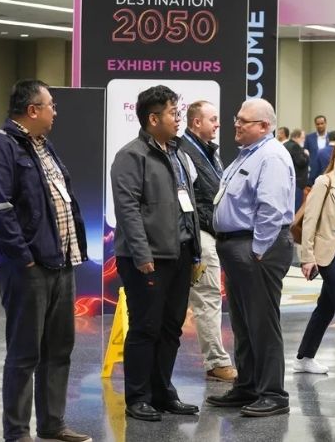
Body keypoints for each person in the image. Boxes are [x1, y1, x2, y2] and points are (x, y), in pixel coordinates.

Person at [0, 79, 90, 442]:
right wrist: (23, 258)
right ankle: (17, 432)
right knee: (24, 353)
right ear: (32, 110)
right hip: (28, 268)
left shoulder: (43, 146)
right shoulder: (1, 145)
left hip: (60, 264)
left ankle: (52, 424)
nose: (55, 112)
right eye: (51, 105)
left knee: (59, 350)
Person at [111, 85, 201, 422]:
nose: (178, 119)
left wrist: (195, 252)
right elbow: (128, 210)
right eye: (172, 113)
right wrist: (142, 254)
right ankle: (138, 397)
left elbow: (188, 206)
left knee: (171, 328)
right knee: (145, 327)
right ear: (153, 119)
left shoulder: (177, 154)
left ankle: (162, 392)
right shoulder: (131, 156)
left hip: (179, 254)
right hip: (147, 258)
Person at [206, 98, 295, 417]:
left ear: (264, 126)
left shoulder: (271, 156)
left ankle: (273, 393)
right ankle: (248, 385)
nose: (236, 124)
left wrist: (257, 249)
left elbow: (271, 208)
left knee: (262, 322)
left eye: (244, 121)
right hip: (239, 248)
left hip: (258, 249)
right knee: (243, 322)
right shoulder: (248, 154)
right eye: (237, 118)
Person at [179, 101, 237, 383]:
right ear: (196, 123)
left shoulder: (209, 152)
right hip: (201, 234)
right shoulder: (184, 152)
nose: (218, 124)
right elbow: (187, 199)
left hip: (214, 232)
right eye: (213, 119)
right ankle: (216, 362)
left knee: (209, 297)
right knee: (207, 297)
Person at [295, 138, 335, 377]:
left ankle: (304, 357)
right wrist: (307, 256)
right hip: (327, 251)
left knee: (326, 307)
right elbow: (310, 220)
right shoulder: (325, 182)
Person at [284, 128, 309, 212]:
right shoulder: (295, 146)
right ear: (296, 137)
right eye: (303, 137)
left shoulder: (285, 144)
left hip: (287, 180)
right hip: (297, 182)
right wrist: (306, 155)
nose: (304, 140)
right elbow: (301, 162)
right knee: (295, 209)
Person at [305, 115, 330, 186]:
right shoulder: (309, 137)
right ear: (315, 125)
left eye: (322, 123)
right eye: (318, 124)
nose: (320, 126)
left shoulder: (331, 136)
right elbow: (305, 152)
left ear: (325, 123)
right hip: (313, 171)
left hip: (327, 169)